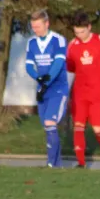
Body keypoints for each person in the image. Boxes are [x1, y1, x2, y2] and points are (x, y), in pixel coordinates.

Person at [66, 11, 100, 169]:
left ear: (89, 27)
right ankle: (81, 164)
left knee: (97, 128)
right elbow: (70, 71)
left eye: (82, 31)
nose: (79, 35)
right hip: (79, 93)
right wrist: (67, 92)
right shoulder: (72, 46)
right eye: (76, 32)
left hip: (98, 93)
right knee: (78, 126)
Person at [25, 10, 69, 168]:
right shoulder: (31, 42)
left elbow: (58, 64)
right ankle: (57, 166)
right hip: (43, 89)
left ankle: (51, 164)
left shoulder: (58, 40)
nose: (35, 30)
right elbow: (29, 65)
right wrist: (37, 77)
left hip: (57, 89)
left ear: (47, 23)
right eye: (33, 27)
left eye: (38, 26)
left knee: (51, 122)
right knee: (47, 126)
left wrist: (46, 81)